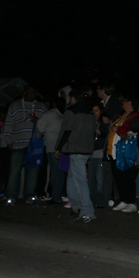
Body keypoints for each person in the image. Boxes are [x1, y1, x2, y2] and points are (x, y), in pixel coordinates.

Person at [55, 89, 97, 222]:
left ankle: (87, 211)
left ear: (73, 98)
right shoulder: (90, 113)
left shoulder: (71, 111)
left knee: (80, 180)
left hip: (76, 149)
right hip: (87, 149)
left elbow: (65, 130)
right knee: (72, 178)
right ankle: (76, 206)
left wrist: (59, 147)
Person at [2, 85, 46, 204]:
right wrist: (8, 141)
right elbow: (8, 124)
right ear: (24, 93)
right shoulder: (15, 106)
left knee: (33, 171)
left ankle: (29, 195)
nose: (32, 94)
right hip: (17, 143)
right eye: (30, 92)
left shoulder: (41, 107)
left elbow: (46, 125)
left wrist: (38, 121)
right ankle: (11, 195)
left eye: (34, 92)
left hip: (35, 144)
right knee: (14, 170)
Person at [109, 97, 139, 213]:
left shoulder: (135, 116)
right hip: (117, 151)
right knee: (119, 177)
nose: (122, 103)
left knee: (128, 176)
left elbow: (131, 130)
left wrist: (117, 129)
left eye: (125, 101)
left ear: (130, 103)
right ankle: (124, 200)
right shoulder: (123, 115)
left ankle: (131, 202)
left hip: (127, 151)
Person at [37, 98, 66, 205]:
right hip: (62, 146)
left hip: (52, 146)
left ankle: (56, 197)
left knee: (55, 172)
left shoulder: (51, 113)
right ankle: (59, 195)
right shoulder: (63, 115)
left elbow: (40, 127)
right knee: (60, 172)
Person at [88, 104, 110, 208]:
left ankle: (102, 202)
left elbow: (107, 136)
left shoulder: (104, 122)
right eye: (93, 111)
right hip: (91, 154)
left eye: (96, 110)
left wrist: (100, 133)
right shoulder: (90, 122)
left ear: (100, 111)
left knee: (100, 180)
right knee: (91, 179)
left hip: (100, 153)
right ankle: (93, 201)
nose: (94, 113)